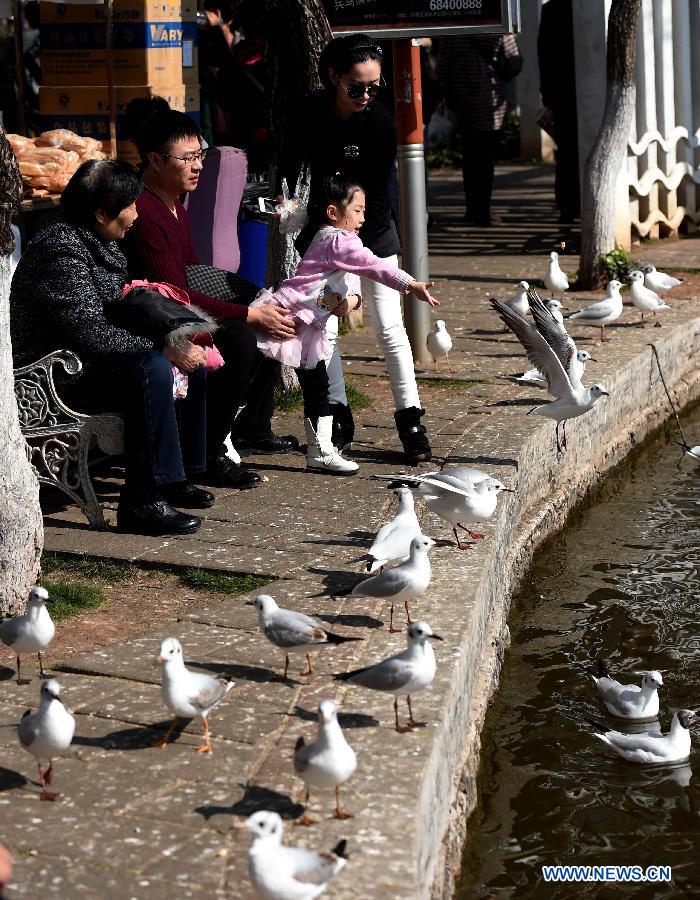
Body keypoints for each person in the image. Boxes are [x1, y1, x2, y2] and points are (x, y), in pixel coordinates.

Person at [10, 159, 215, 536]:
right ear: (102, 212)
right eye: (131, 205)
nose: (137, 213)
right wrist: (164, 348)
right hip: (54, 375)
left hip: (85, 359)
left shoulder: (96, 239)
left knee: (188, 358)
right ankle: (141, 502)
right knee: (151, 368)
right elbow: (89, 331)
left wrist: (170, 339)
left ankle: (174, 477)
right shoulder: (61, 250)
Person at [124, 98, 298, 485]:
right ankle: (207, 452)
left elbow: (192, 272)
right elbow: (174, 291)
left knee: (273, 321)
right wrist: (248, 314)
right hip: (149, 316)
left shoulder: (173, 202)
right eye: (186, 158)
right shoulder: (146, 211)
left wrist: (256, 304)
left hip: (175, 303)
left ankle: (240, 431)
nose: (198, 165)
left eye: (199, 154)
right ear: (155, 160)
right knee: (241, 337)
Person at [282, 34, 434, 466]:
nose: (366, 95)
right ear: (333, 78)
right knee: (326, 326)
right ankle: (336, 414)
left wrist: (358, 251)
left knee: (389, 328)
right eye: (356, 87)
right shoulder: (310, 113)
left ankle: (410, 420)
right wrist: (289, 208)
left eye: (374, 86)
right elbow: (291, 168)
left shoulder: (381, 123)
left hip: (372, 233)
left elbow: (380, 194)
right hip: (325, 236)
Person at [252, 175, 438, 474]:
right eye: (357, 210)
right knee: (261, 379)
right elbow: (373, 265)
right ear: (333, 212)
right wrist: (410, 283)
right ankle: (226, 440)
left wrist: (342, 305)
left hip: (302, 321)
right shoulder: (339, 240)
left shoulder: (328, 238)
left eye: (364, 210)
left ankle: (318, 449)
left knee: (309, 385)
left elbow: (325, 290)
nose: (363, 217)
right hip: (287, 319)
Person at [437, 34, 523, 226]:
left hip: (461, 103)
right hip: (490, 102)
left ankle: (472, 210)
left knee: (470, 158)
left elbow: (442, 68)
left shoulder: (453, 30)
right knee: (485, 159)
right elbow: (515, 63)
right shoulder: (500, 27)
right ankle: (483, 211)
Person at [538, 0, 580, 223]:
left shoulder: (551, 9)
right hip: (582, 90)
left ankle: (567, 206)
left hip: (562, 94)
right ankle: (573, 204)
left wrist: (548, 99)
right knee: (573, 151)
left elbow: (544, 56)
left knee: (566, 152)